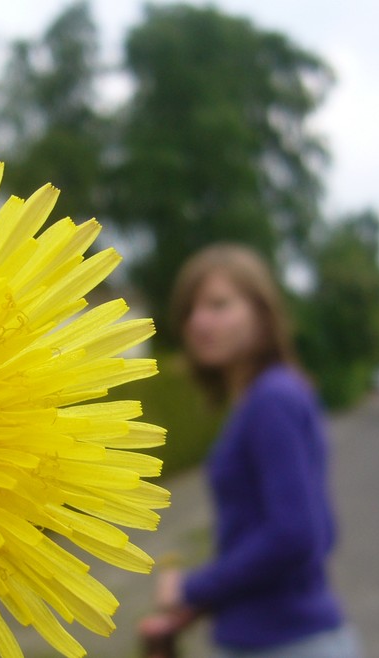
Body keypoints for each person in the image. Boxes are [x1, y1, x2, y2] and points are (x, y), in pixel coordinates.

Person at [139, 243, 361, 658]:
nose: (198, 322)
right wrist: (198, 606)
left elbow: (297, 536)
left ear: (263, 313)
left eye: (218, 305)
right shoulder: (270, 396)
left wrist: (191, 586)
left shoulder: (271, 401)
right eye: (189, 310)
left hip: (285, 644)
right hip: (289, 638)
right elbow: (320, 532)